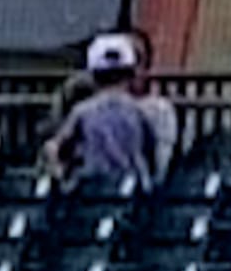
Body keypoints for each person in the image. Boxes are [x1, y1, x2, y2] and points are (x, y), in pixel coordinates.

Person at [42, 31, 177, 189]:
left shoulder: (82, 112)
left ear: (93, 76)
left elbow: (54, 148)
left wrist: (62, 176)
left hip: (93, 192)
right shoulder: (142, 112)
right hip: (133, 192)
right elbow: (153, 154)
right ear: (131, 73)